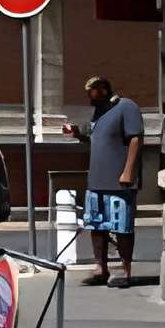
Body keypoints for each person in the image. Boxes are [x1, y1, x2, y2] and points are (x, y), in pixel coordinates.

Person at [68, 73, 144, 289]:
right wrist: (76, 133)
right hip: (96, 180)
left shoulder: (126, 107)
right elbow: (96, 137)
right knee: (97, 225)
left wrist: (128, 171)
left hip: (119, 181)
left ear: (102, 89)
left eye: (91, 93)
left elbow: (135, 139)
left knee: (122, 227)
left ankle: (125, 270)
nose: (89, 98)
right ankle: (100, 268)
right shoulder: (99, 113)